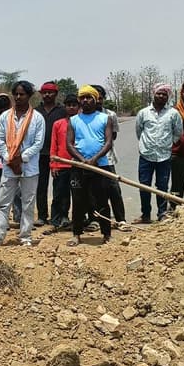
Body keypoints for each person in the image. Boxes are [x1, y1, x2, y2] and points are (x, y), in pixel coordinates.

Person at [0, 81, 45, 247]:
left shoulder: (37, 118)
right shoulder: (5, 117)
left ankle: (25, 236)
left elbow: (38, 143)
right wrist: (9, 158)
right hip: (9, 167)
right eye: (16, 94)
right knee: (3, 203)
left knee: (28, 203)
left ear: (29, 96)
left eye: (22, 94)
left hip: (29, 167)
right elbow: (0, 140)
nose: (18, 97)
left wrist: (21, 158)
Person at [66, 85, 113, 246]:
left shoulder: (105, 118)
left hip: (100, 166)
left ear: (95, 99)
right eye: (82, 97)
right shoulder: (74, 120)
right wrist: (81, 159)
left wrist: (95, 158)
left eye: (89, 97)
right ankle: (76, 234)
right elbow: (69, 144)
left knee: (102, 201)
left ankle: (106, 233)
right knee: (78, 201)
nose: (85, 100)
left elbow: (108, 142)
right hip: (79, 167)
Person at [134, 83, 183, 223]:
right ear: (153, 94)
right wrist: (146, 144)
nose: (161, 96)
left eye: (164, 94)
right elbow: (139, 131)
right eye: (158, 93)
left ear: (168, 97)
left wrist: (168, 143)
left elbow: (178, 132)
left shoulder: (173, 113)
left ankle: (162, 214)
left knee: (162, 186)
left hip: (164, 157)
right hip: (146, 155)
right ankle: (145, 215)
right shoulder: (143, 113)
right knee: (144, 186)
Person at [93, 85, 129, 230]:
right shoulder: (82, 115)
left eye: (100, 98)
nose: (97, 101)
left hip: (107, 158)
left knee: (113, 189)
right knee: (93, 191)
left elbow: (113, 136)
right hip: (88, 160)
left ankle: (121, 219)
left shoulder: (110, 115)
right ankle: (96, 220)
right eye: (95, 97)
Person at [46, 93, 80, 233]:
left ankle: (78, 221)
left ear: (78, 107)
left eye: (74, 105)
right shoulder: (58, 124)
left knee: (78, 195)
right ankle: (56, 221)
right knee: (59, 195)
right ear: (65, 107)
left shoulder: (81, 123)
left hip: (77, 165)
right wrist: (53, 164)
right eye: (68, 105)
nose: (71, 107)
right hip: (61, 165)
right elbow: (53, 145)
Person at [35, 81, 66, 227]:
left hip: (58, 155)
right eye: (44, 92)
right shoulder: (36, 111)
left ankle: (60, 215)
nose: (47, 95)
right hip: (39, 154)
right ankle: (42, 216)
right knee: (41, 186)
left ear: (56, 94)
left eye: (50, 92)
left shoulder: (63, 111)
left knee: (59, 187)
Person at [0, 93, 20, 225]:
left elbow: (17, 135)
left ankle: (18, 217)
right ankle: (1, 219)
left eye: (4, 107)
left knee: (16, 190)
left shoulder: (15, 118)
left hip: (12, 159)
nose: (1, 110)